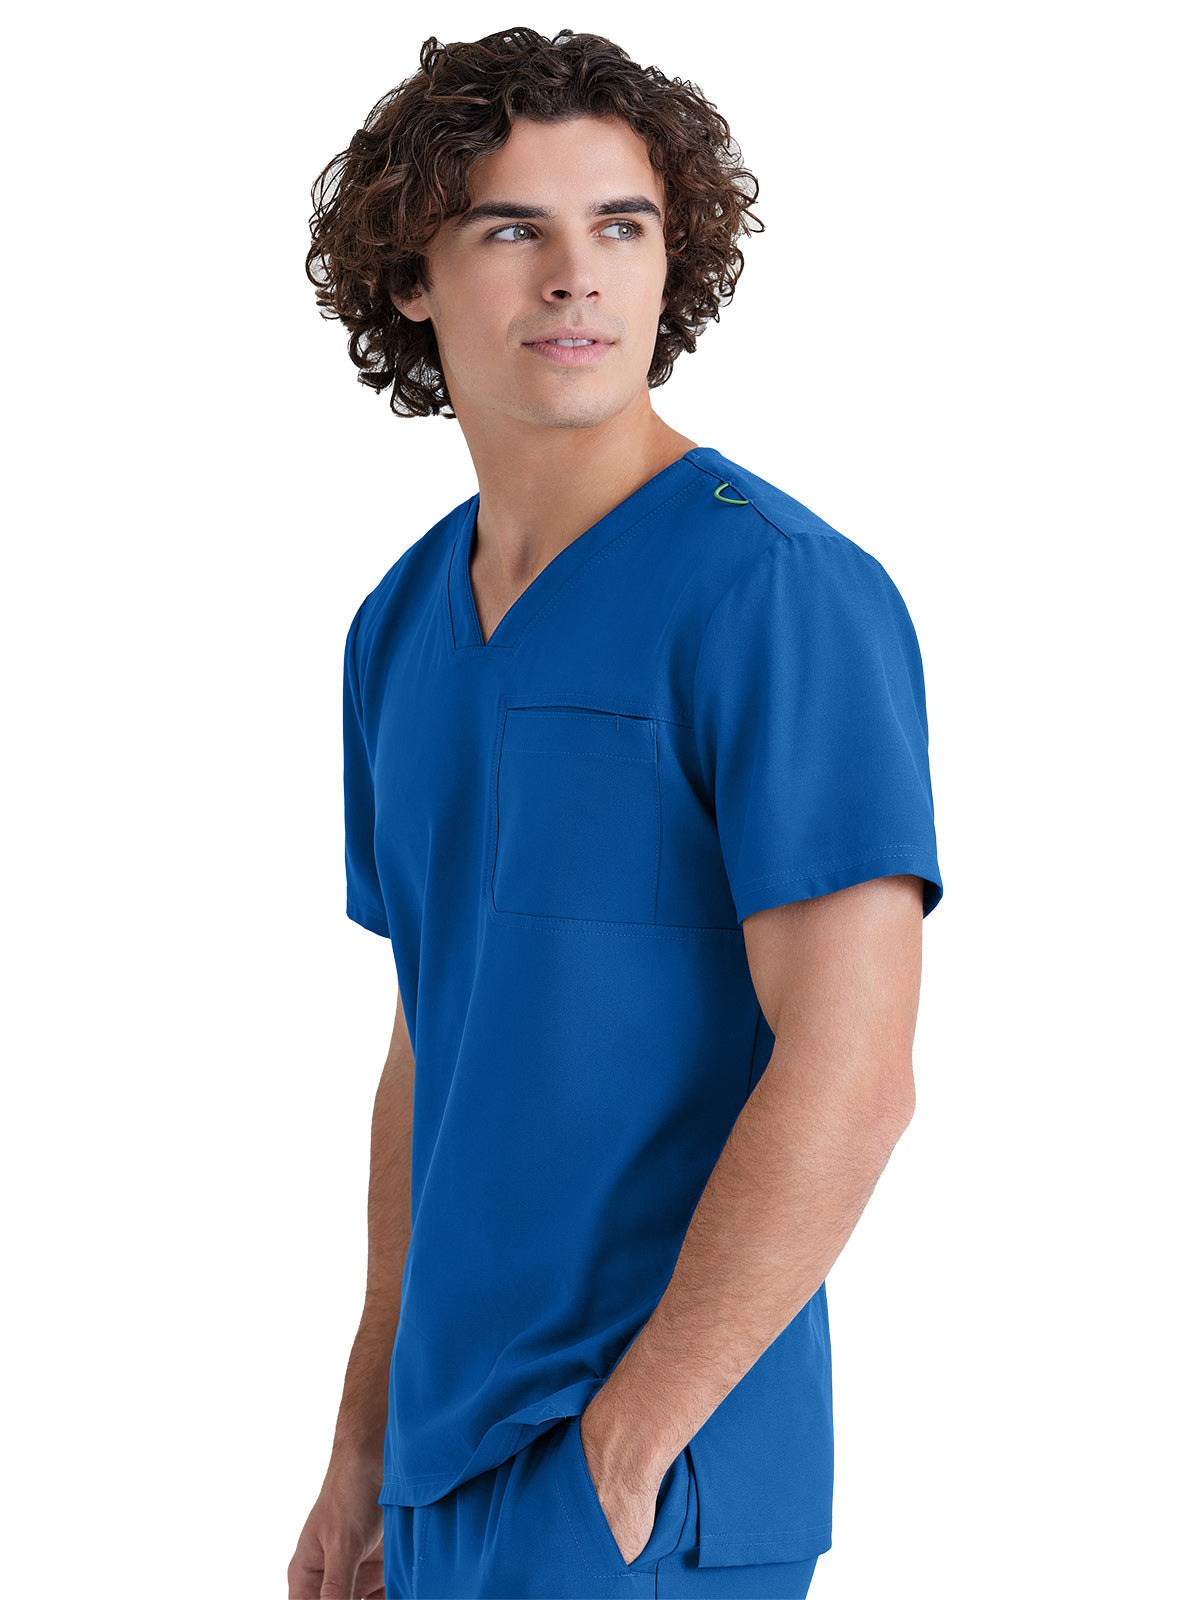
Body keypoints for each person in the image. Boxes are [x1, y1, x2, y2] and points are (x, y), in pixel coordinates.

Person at [290, 25, 944, 1600]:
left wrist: (631, 1451)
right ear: (411, 278)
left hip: (649, 1480)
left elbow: (852, 1071)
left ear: (673, 260)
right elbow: (436, 1040)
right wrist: (365, 1443)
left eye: (622, 226)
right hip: (443, 1468)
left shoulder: (778, 595)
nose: (577, 276)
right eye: (512, 229)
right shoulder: (398, 626)